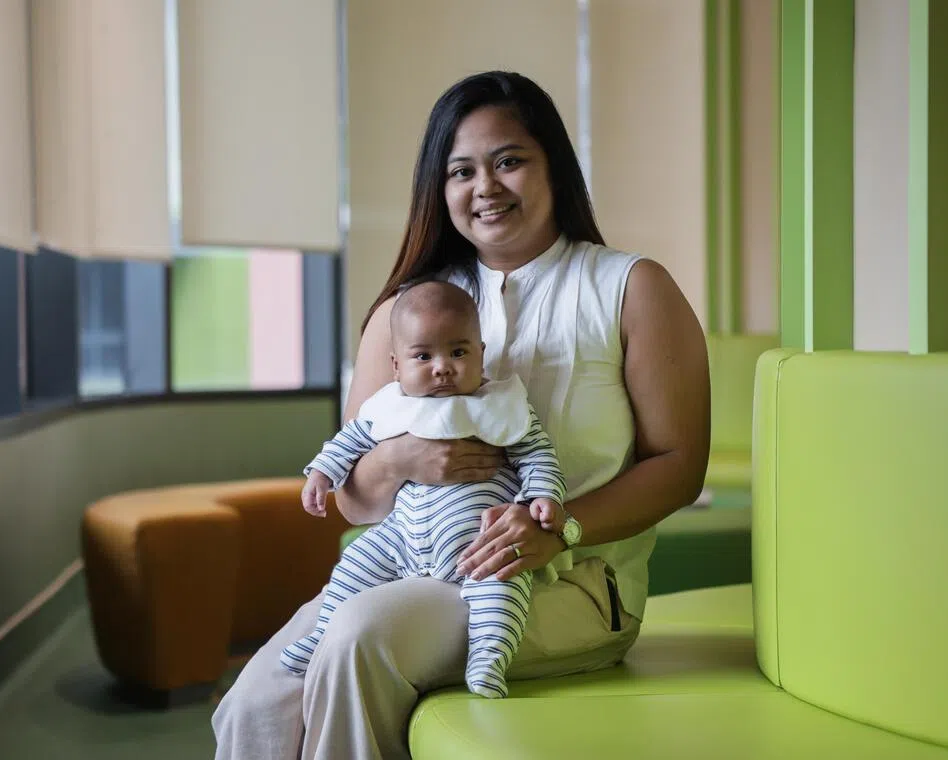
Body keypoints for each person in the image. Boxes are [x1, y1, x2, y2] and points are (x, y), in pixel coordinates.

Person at [213, 70, 710, 760]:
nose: (485, 187)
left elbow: (680, 467)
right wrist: (399, 459)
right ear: (438, 188)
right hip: (409, 570)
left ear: (554, 168)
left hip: (570, 587)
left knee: (358, 638)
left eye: (508, 161)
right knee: (254, 700)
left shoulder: (631, 288)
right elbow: (353, 501)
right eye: (461, 171)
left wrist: (560, 528)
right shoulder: (405, 312)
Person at [281, 280, 568, 699]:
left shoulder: (499, 405)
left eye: (458, 352)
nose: (442, 367)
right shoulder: (390, 407)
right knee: (354, 564)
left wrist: (543, 496)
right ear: (396, 366)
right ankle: (321, 638)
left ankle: (489, 659)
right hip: (401, 538)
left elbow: (537, 453)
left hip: (479, 541)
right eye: (423, 356)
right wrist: (321, 474)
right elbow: (350, 441)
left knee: (503, 585)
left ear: (481, 353)